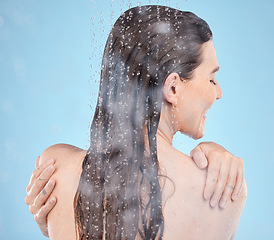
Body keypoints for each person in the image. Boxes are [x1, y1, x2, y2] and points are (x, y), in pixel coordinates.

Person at [25, 5, 247, 240]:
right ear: (173, 87)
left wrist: (52, 227)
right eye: (212, 79)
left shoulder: (55, 166)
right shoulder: (221, 192)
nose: (219, 92)